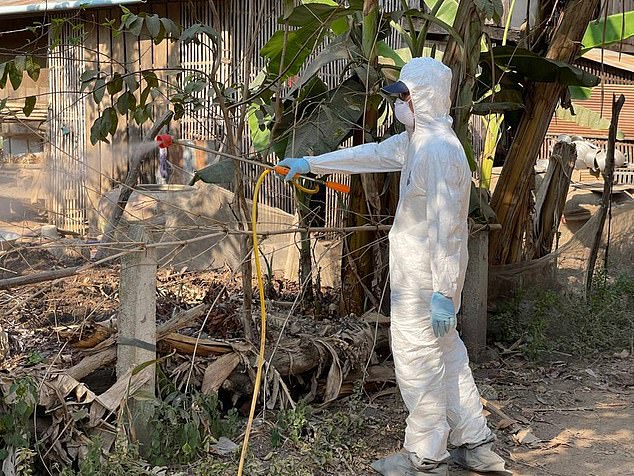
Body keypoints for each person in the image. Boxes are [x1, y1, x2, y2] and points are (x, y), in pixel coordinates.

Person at [276, 57, 511, 476]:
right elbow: (373, 154)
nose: (398, 104)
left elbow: (447, 229)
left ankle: (424, 457)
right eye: (398, 97)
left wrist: (441, 292)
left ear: (424, 98)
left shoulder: (437, 150)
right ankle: (474, 442)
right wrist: (311, 164)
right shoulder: (420, 140)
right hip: (428, 282)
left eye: (404, 97)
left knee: (418, 361)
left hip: (428, 284)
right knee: (448, 356)